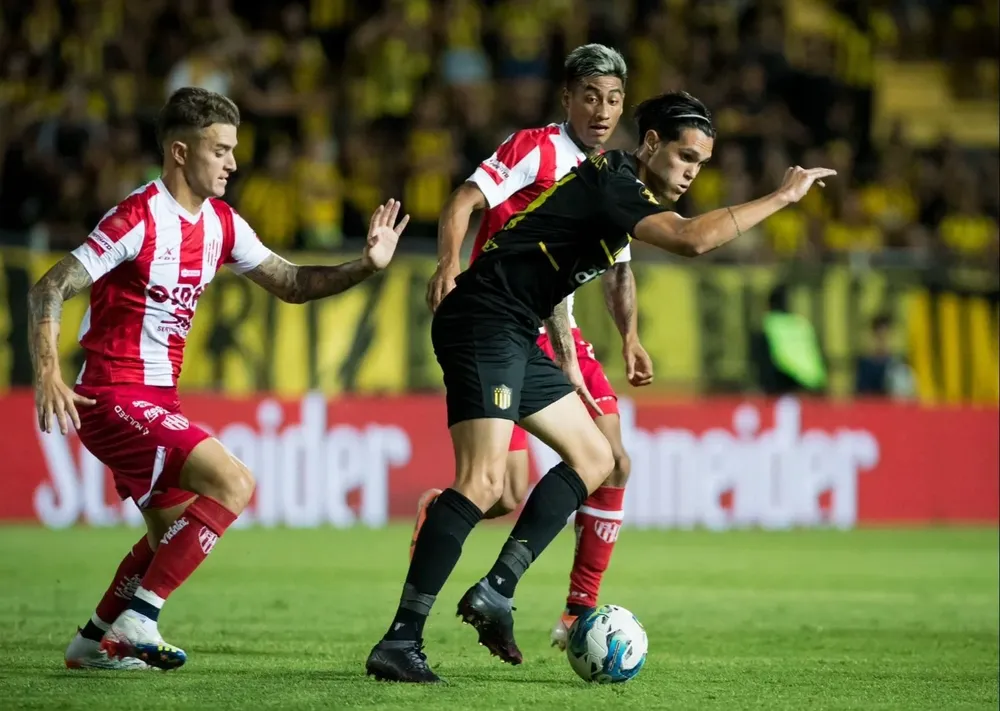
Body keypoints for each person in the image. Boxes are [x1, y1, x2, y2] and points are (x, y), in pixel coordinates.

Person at [365, 90, 835, 683]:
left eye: (702, 163)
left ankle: (497, 589)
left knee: (597, 457)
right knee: (484, 483)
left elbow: (567, 269)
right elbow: (692, 240)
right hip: (484, 319)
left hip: (518, 327)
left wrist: (580, 351)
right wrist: (782, 197)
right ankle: (400, 640)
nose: (692, 172)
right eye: (686, 156)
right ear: (652, 143)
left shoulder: (620, 192)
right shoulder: (615, 182)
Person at [29, 87, 409, 671]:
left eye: (233, 150)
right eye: (220, 150)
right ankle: (140, 619)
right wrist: (48, 372)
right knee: (234, 482)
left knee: (167, 537)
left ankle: (90, 643)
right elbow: (50, 286)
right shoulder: (137, 218)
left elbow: (293, 284)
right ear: (180, 152)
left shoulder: (222, 225)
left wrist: (367, 265)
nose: (232, 163)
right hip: (112, 395)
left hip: (157, 400)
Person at [418, 43, 655, 651]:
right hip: (505, 315)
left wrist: (629, 336)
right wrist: (448, 262)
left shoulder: (613, 176)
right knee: (500, 491)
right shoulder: (537, 148)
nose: (602, 111)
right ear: (567, 99)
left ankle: (578, 611)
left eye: (613, 100)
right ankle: (445, 522)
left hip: (560, 325)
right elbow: (465, 198)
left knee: (613, 459)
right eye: (590, 97)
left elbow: (620, 268)